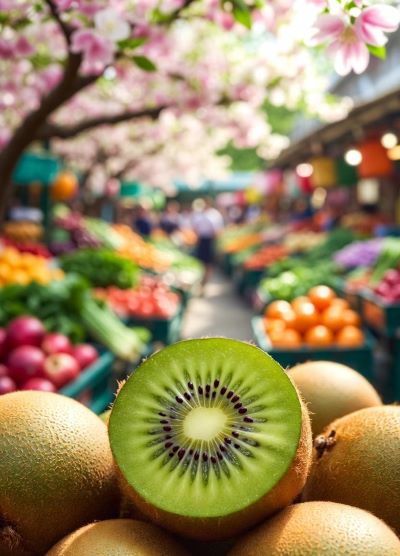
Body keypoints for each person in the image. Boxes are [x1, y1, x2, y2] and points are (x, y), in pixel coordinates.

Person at [191, 198, 224, 288]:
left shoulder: (214, 214)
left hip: (210, 240)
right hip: (201, 239)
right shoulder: (199, 214)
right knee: (200, 262)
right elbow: (195, 227)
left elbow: (218, 230)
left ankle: (205, 283)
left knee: (208, 263)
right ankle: (200, 281)